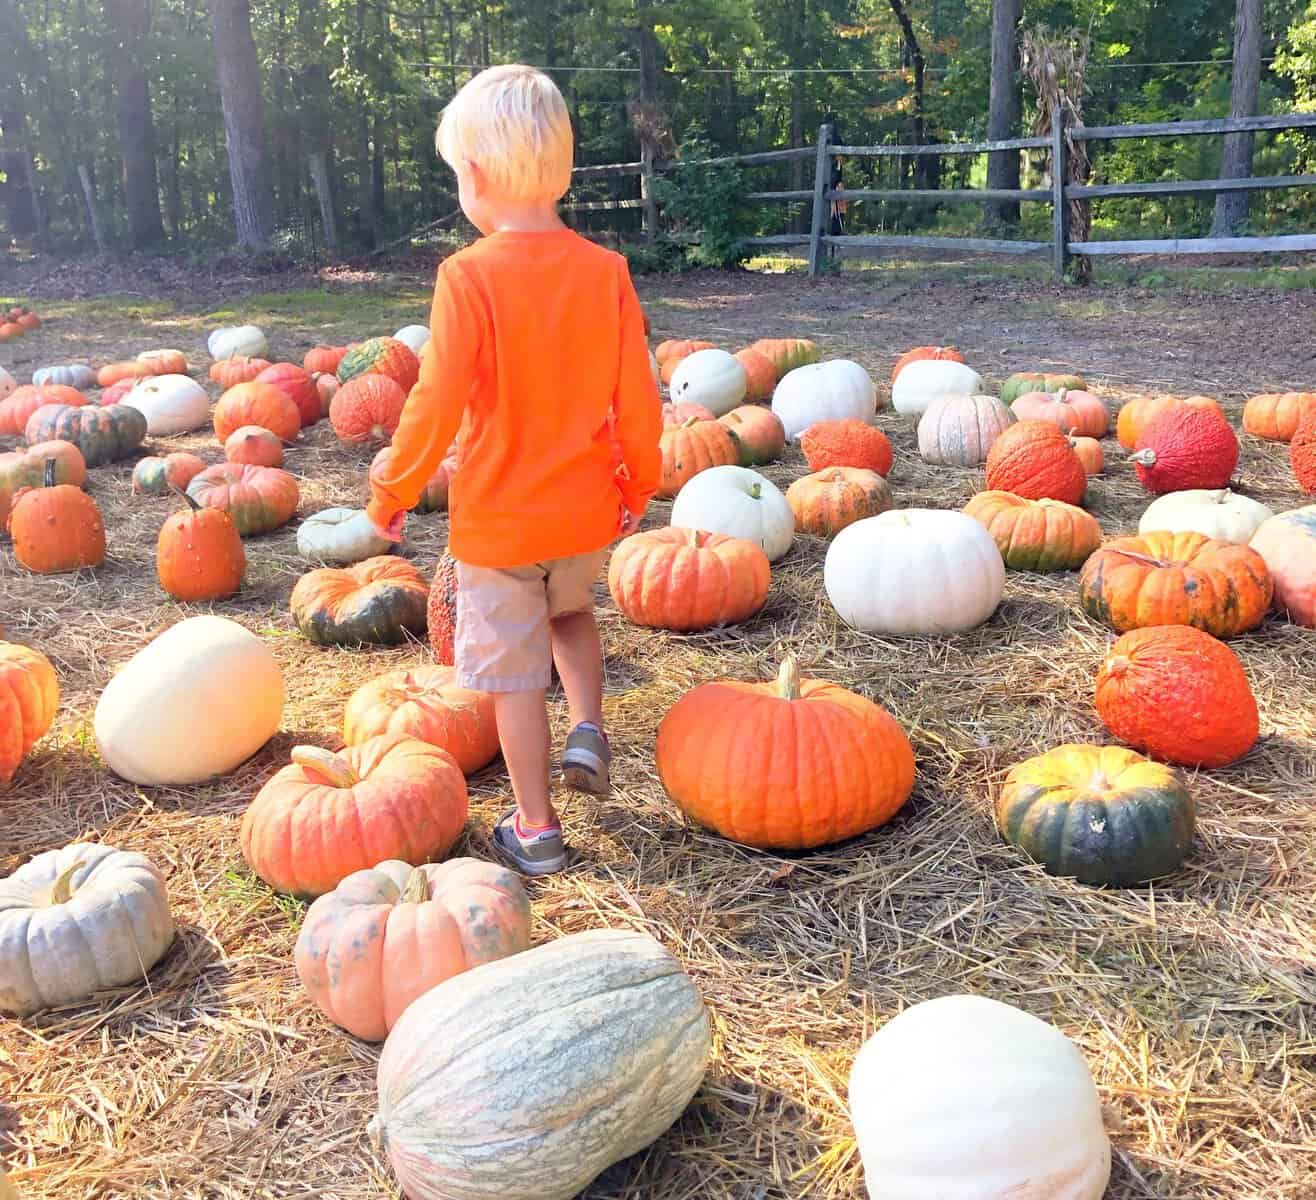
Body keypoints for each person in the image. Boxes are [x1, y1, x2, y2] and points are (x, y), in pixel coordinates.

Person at [366, 64, 662, 876]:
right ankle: (589, 728)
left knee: (514, 678)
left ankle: (535, 829)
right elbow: (638, 396)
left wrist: (394, 488)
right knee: (571, 613)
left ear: (475, 174)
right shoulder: (605, 272)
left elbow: (436, 399)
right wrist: (637, 484)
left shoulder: (468, 276)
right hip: (584, 514)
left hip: (500, 525)